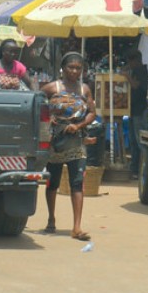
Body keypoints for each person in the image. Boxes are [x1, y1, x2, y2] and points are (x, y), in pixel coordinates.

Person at [41, 51, 98, 241]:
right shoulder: (51, 88)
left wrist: (79, 125)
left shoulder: (84, 90)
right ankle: (51, 219)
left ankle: (77, 227)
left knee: (77, 184)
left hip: (77, 143)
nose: (74, 71)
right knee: (53, 183)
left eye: (78, 68)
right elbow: (37, 106)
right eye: (71, 67)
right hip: (56, 143)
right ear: (63, 68)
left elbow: (92, 112)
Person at [121, 45, 148, 179]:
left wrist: (127, 76)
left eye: (130, 62)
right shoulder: (134, 70)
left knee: (140, 142)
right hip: (133, 110)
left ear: (135, 60)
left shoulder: (141, 71)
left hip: (140, 110)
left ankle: (145, 168)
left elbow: (137, 86)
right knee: (133, 142)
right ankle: (135, 169)